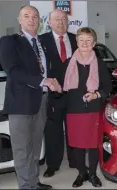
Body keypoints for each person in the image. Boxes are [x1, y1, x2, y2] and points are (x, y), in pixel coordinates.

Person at [0, 5, 62, 189]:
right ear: (19, 20)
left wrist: (55, 83)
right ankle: (26, 186)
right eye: (26, 16)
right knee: (22, 149)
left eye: (35, 16)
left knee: (35, 146)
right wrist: (45, 81)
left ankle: (34, 181)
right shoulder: (8, 41)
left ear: (40, 20)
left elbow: (48, 68)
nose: (31, 19)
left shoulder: (42, 43)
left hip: (41, 101)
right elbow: (13, 71)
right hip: (20, 104)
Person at [63, 27, 112, 188]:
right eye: (81, 40)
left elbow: (108, 87)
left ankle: (92, 174)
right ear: (76, 42)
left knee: (92, 144)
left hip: (93, 109)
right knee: (76, 144)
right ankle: (81, 173)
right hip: (73, 109)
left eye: (88, 40)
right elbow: (60, 86)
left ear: (94, 43)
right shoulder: (67, 63)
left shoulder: (99, 64)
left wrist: (96, 94)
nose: (84, 43)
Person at [39, 8, 78, 178]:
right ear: (49, 22)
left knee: (73, 128)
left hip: (73, 93)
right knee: (52, 130)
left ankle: (75, 161)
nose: (61, 23)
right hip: (52, 93)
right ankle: (52, 164)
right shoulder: (41, 41)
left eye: (64, 19)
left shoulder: (75, 39)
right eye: (57, 19)